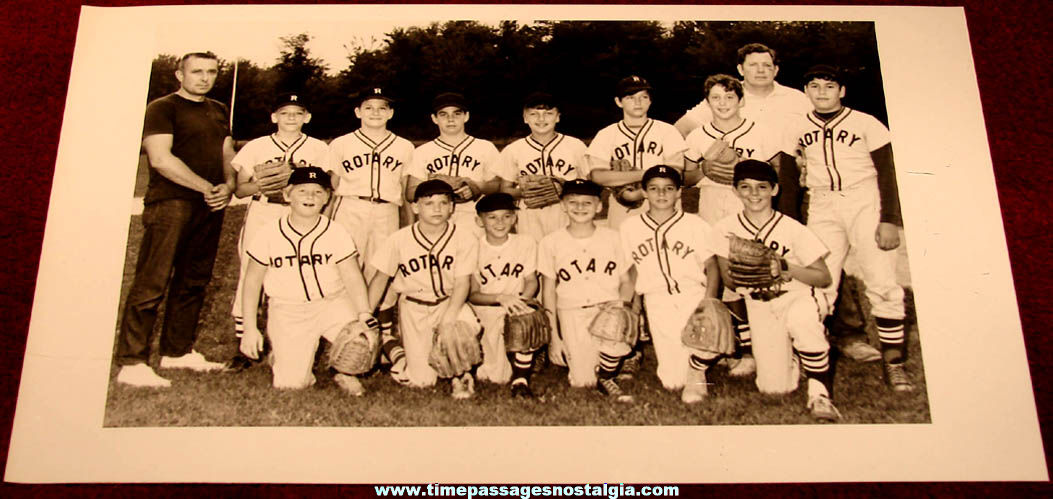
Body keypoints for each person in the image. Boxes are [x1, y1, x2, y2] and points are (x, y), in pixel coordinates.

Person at [781, 65, 913, 392]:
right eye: (814, 86)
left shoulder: (866, 122)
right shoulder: (796, 127)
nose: (822, 92)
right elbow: (786, 179)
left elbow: (888, 172)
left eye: (829, 86)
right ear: (806, 92)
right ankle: (810, 351)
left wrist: (889, 219)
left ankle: (894, 364)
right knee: (819, 282)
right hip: (822, 202)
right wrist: (788, 224)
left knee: (882, 280)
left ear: (842, 91)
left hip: (864, 199)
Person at [114, 51, 234, 387]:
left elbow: (226, 152)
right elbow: (160, 158)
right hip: (171, 204)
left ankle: (177, 353)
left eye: (211, 71)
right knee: (152, 281)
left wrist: (228, 185)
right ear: (179, 74)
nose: (204, 77)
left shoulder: (218, 109)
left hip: (208, 205)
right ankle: (132, 362)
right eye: (197, 71)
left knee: (194, 281)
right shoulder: (163, 107)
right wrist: (205, 187)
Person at [711, 160, 840, 421]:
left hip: (798, 295)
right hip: (760, 304)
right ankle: (800, 357)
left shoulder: (792, 228)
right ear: (735, 190)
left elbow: (823, 277)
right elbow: (731, 282)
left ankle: (820, 395)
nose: (754, 194)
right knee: (774, 387)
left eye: (762, 187)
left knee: (802, 321)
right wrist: (749, 269)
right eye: (745, 187)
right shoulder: (724, 229)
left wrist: (786, 267)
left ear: (775, 189)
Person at [238, 167, 374, 394]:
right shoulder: (268, 233)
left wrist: (363, 314)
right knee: (291, 384)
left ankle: (344, 372)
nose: (310, 197)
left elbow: (352, 277)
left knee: (360, 340)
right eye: (302, 191)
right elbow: (252, 283)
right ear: (287, 195)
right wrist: (250, 328)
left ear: (327, 198)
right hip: (289, 311)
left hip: (332, 304)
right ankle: (283, 355)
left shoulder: (336, 232)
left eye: (318, 192)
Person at [225, 92, 330, 372]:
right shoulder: (257, 146)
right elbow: (240, 188)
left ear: (307, 117)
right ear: (274, 117)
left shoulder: (319, 148)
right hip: (264, 211)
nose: (291, 118)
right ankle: (244, 347)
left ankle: (304, 341)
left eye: (297, 113)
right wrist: (264, 184)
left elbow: (329, 187)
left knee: (300, 272)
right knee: (251, 272)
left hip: (302, 216)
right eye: (285, 113)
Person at [325, 87, 415, 383]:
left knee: (383, 272)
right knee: (345, 271)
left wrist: (409, 226)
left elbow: (404, 192)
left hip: (387, 210)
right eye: (369, 107)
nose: (375, 113)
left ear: (391, 113)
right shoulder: (340, 144)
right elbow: (331, 186)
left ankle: (382, 340)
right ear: (358, 112)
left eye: (382, 107)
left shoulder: (404, 146)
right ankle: (345, 338)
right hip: (351, 207)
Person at [366, 180, 482, 398]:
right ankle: (389, 343)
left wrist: (448, 319)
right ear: (415, 207)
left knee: (460, 330)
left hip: (450, 301)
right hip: (414, 306)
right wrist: (364, 315)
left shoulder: (464, 237)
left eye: (443, 203)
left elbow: (462, 283)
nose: (437, 209)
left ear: (452, 207)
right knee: (421, 381)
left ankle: (461, 376)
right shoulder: (398, 239)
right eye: (429, 204)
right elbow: (380, 279)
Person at [618, 166, 721, 403]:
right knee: (672, 381)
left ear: (678, 193)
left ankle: (698, 370)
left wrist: (710, 301)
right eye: (654, 189)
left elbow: (712, 266)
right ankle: (695, 366)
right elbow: (631, 271)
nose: (661, 194)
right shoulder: (629, 228)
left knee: (708, 337)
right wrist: (632, 307)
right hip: (657, 300)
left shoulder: (696, 224)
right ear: (644, 192)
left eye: (668, 189)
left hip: (692, 295)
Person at [538, 179, 635, 402]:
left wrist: (622, 303)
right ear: (563, 205)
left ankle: (610, 372)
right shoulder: (550, 242)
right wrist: (554, 337)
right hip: (572, 312)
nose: (580, 208)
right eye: (573, 202)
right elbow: (549, 291)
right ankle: (608, 366)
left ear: (599, 206)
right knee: (583, 381)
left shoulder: (614, 237)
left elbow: (627, 281)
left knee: (613, 335)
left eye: (587, 203)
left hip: (608, 309)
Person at [683, 74, 800, 224]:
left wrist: (753, 170)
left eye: (730, 97)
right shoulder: (697, 135)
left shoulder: (761, 132)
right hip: (710, 201)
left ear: (741, 101)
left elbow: (779, 170)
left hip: (750, 200)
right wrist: (703, 171)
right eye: (716, 97)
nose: (723, 103)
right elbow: (685, 179)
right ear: (707, 102)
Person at [586, 75, 687, 229]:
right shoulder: (606, 134)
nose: (638, 102)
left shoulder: (668, 131)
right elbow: (597, 176)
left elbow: (674, 174)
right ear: (618, 102)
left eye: (643, 97)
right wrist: (649, 174)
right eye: (630, 97)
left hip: (664, 207)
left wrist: (634, 189)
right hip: (621, 210)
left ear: (650, 100)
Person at [468, 193, 541, 397]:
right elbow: (473, 294)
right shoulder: (472, 247)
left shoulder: (526, 242)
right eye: (492, 217)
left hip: (516, 306)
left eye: (506, 216)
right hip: (487, 310)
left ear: (515, 218)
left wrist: (522, 303)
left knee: (525, 320)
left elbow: (531, 281)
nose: (500, 222)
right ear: (479, 221)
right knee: (494, 377)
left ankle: (521, 379)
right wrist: (500, 298)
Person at [405, 92, 500, 236]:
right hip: (434, 217)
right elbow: (410, 193)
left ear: (466, 116)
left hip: (473, 216)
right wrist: (433, 185)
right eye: (443, 114)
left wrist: (477, 187)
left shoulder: (485, 147)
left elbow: (497, 185)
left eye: (456, 113)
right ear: (434, 118)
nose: (450, 119)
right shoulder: (422, 151)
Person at [496, 91, 586, 241]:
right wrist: (526, 192)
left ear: (558, 117)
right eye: (534, 114)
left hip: (567, 212)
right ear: (525, 118)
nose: (541, 119)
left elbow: (591, 185)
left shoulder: (576, 146)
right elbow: (504, 190)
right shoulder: (513, 150)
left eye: (548, 113)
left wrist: (564, 187)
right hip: (529, 216)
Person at [673, 43, 812, 139]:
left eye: (767, 65)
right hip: (737, 177)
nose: (760, 70)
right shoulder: (724, 96)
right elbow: (680, 130)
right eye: (753, 65)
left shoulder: (798, 99)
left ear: (776, 70)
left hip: (786, 175)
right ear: (740, 69)